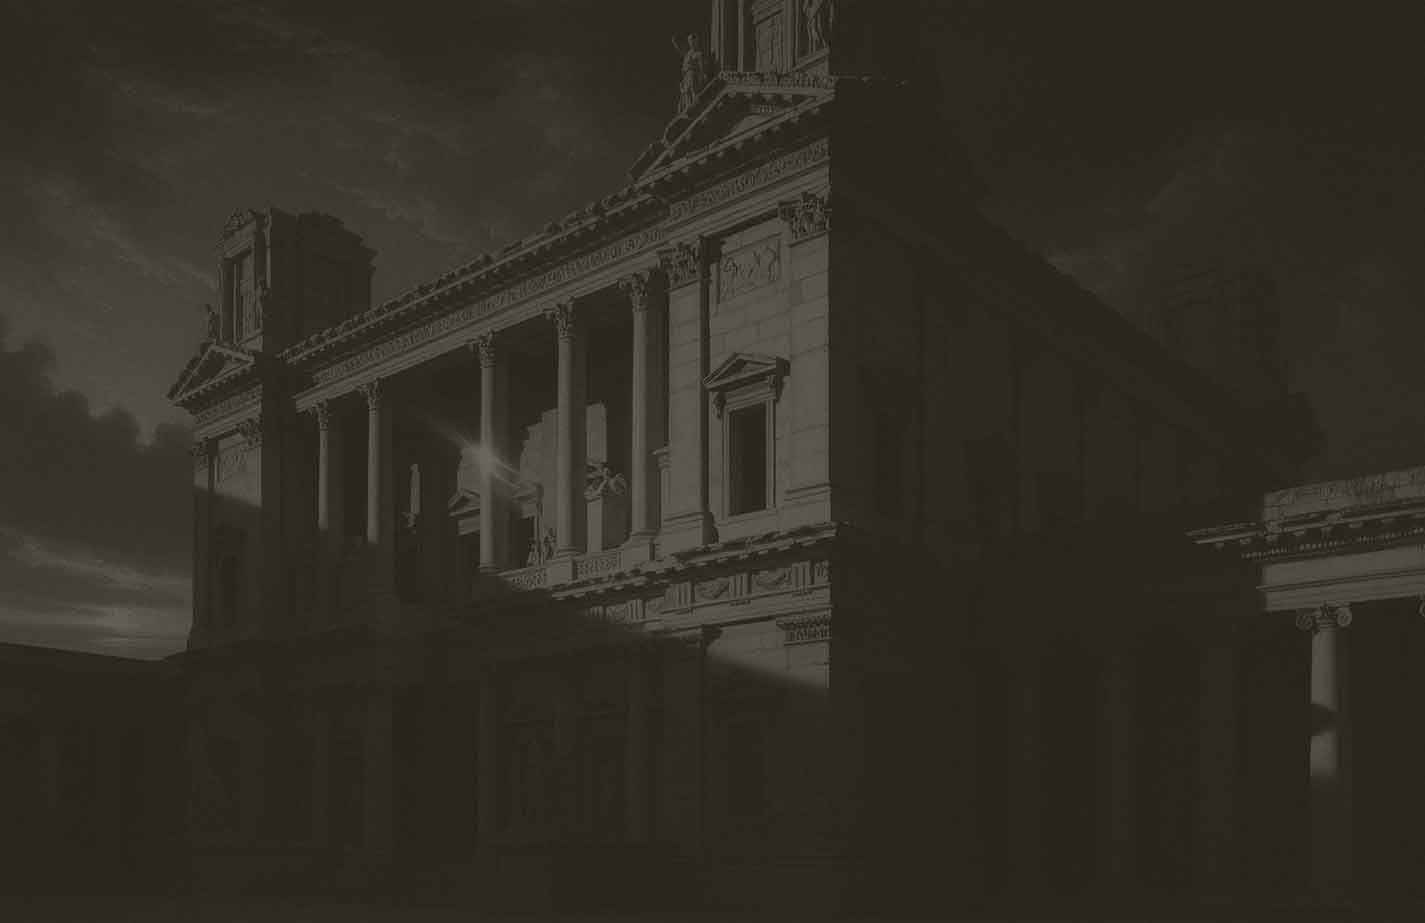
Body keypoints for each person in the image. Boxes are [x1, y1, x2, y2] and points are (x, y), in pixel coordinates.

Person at [671, 32, 715, 114]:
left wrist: (703, 74)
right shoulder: (688, 55)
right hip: (687, 79)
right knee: (684, 97)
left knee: (692, 81)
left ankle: (694, 101)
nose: (692, 43)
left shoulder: (698, 54)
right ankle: (688, 106)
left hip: (693, 77)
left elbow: (702, 67)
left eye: (693, 41)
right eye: (690, 41)